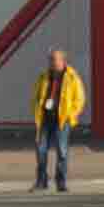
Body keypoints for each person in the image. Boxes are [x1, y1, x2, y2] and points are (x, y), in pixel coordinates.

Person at [30, 50, 85, 193]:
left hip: (62, 120)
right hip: (45, 119)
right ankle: (41, 181)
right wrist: (37, 111)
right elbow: (36, 96)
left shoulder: (72, 77)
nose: (52, 63)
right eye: (50, 60)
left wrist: (70, 115)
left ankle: (61, 182)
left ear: (63, 61)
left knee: (62, 151)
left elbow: (79, 99)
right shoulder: (43, 77)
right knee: (40, 150)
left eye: (55, 60)